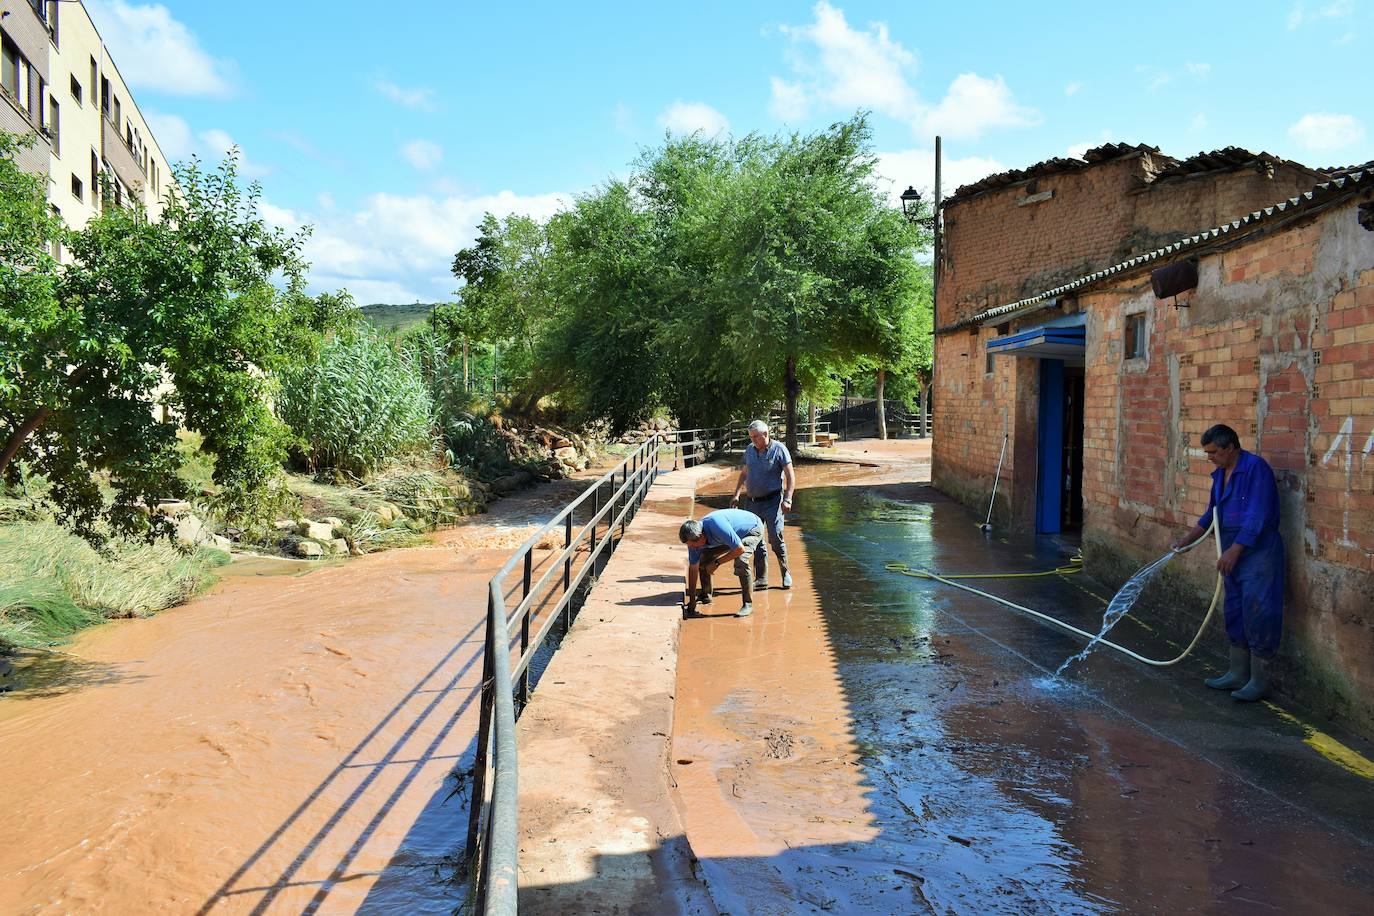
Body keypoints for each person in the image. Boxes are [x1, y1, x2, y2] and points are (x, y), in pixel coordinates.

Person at [1171, 424, 1284, 702]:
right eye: (1207, 452)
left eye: (1214, 452)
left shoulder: (1256, 469)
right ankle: (1237, 672)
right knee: (1234, 609)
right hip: (1231, 549)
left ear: (1230, 447)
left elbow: (1257, 516)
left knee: (1258, 610)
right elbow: (1212, 513)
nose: (1210, 457)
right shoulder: (1220, 474)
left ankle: (1260, 680)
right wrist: (1187, 539)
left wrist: (1234, 551)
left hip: (1257, 551)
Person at [729, 420, 796, 590]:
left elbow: (790, 476)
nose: (753, 441)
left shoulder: (779, 449)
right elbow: (744, 473)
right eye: (751, 437)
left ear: (765, 434)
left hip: (773, 502)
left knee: (775, 537)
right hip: (752, 503)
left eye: (755, 437)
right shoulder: (750, 450)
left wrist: (787, 499)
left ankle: (785, 572)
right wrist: (736, 494)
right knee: (755, 540)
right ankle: (761, 578)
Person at [679, 508, 765, 619]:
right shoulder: (693, 541)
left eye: (693, 545)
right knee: (703, 558)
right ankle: (705, 595)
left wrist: (717, 563)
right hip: (729, 537)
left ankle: (748, 604)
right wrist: (691, 601)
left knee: (741, 561)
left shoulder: (717, 525)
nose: (692, 548)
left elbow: (739, 549)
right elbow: (693, 568)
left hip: (751, 529)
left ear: (701, 536)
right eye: (689, 545)